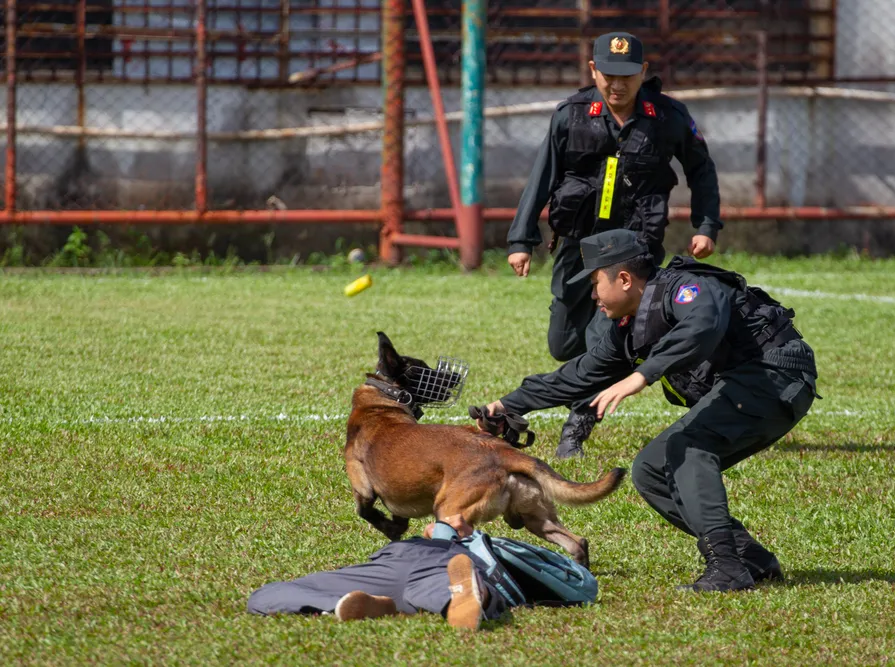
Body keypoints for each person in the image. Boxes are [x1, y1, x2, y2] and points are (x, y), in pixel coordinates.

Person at [480, 229, 819, 592]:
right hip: (751, 386)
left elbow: (703, 324)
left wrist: (642, 375)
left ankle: (727, 567)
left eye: (595, 283)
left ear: (624, 279)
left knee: (687, 447)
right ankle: (748, 557)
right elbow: (578, 375)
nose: (593, 295)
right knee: (651, 469)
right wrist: (507, 404)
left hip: (775, 375)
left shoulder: (684, 289)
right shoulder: (627, 327)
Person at [505, 31, 725, 459]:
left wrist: (706, 225)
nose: (617, 85)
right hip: (577, 244)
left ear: (643, 72)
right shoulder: (570, 115)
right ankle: (587, 376)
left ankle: (576, 428)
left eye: (627, 75)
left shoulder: (668, 117)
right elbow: (542, 176)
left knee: (604, 340)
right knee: (564, 342)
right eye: (608, 75)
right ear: (593, 70)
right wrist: (521, 239)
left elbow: (702, 169)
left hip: (633, 249)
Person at [247, 515, 504, 630]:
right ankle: (345, 605)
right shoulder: (428, 535)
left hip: (446, 561)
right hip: (390, 563)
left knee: (453, 582)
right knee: (264, 596)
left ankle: (466, 597)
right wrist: (436, 530)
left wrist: (465, 536)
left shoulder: (486, 547)